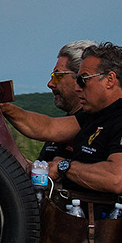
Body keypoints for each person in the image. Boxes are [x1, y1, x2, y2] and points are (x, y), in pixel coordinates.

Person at [2, 42, 122, 200]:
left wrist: (64, 167)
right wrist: (4, 107)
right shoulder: (98, 114)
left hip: (93, 217)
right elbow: (48, 127)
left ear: (110, 80)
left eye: (83, 80)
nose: (78, 88)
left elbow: (116, 178)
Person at [37, 39, 97, 169]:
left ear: (81, 78)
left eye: (57, 76)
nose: (50, 83)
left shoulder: (91, 123)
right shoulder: (68, 119)